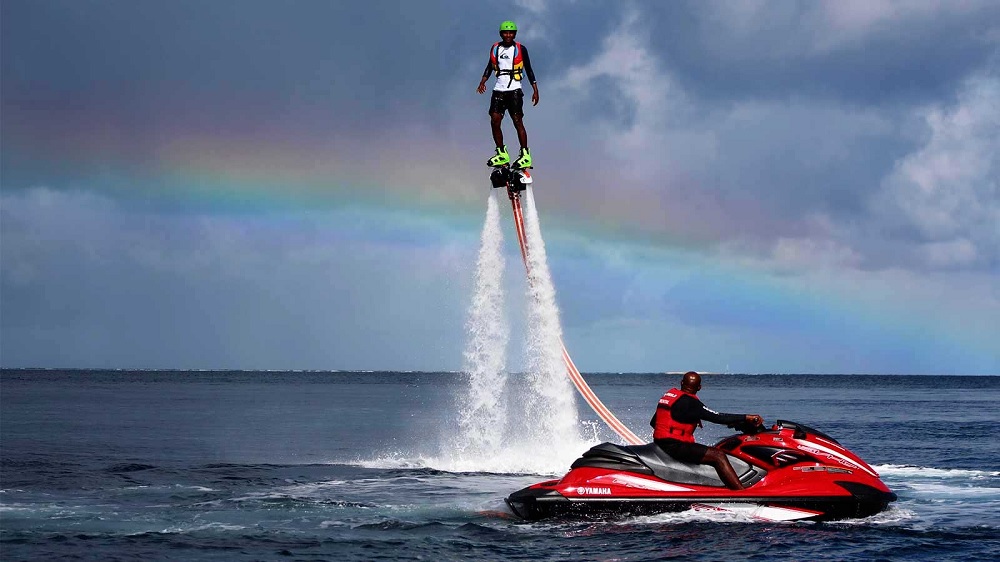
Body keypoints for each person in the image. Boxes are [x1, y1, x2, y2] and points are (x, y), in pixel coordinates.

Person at [650, 371, 763, 490]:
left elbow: (654, 423)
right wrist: (746, 417)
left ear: (682, 383)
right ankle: (742, 494)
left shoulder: (671, 397)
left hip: (661, 443)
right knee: (718, 455)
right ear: (699, 387)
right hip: (674, 446)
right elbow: (717, 417)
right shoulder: (691, 403)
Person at [477, 20, 539, 169]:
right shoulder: (495, 48)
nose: (508, 35)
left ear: (515, 34)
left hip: (515, 89)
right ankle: (501, 153)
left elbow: (529, 69)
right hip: (499, 88)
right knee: (494, 120)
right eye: (505, 32)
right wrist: (483, 81)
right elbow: (489, 67)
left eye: (511, 32)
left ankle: (525, 155)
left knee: (517, 121)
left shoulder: (521, 49)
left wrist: (535, 89)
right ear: (501, 34)